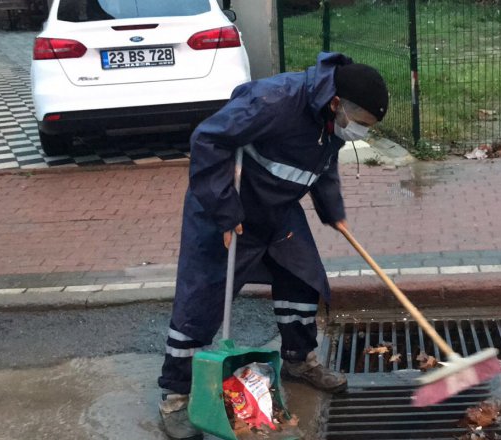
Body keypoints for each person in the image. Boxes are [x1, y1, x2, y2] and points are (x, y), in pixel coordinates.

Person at [157, 52, 389, 440]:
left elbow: (323, 163)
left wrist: (332, 210)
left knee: (302, 277)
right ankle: (176, 394)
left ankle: (298, 359)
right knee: (202, 298)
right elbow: (208, 138)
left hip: (277, 206)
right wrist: (224, 210)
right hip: (227, 201)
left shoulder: (329, 119)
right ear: (337, 103)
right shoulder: (274, 101)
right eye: (362, 124)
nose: (361, 133)